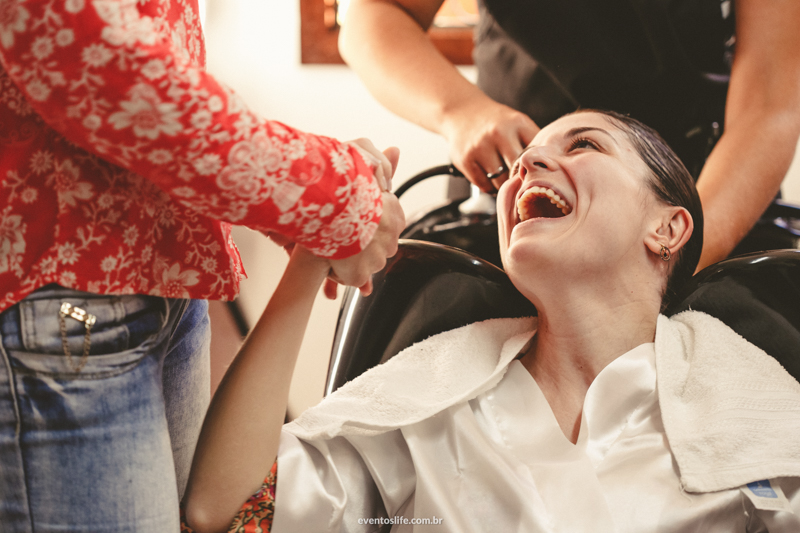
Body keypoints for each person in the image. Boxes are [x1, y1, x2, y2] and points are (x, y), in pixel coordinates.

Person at [182, 110, 800, 533]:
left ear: (667, 227)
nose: (528, 168)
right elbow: (225, 510)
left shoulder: (755, 417)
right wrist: (315, 253)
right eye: (522, 162)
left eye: (583, 144)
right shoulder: (427, 407)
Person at [0, 0, 404, 530]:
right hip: (63, 296)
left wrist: (313, 216)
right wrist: (329, 198)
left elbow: (215, 511)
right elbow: (102, 63)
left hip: (163, 281)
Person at [338, 0, 800, 271]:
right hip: (512, 191)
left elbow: (770, 105)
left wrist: (674, 263)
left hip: (708, 193)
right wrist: (461, 113)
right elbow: (374, 17)